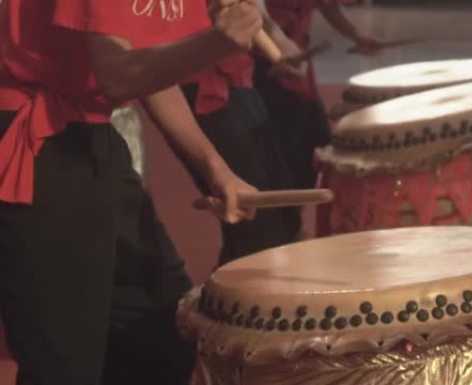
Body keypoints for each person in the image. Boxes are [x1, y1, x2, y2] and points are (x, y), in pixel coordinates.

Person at [0, 0, 264, 384]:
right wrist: (217, 43)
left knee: (158, 333)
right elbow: (119, 75)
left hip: (87, 135)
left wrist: (215, 170)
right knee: (63, 365)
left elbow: (145, 63)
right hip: (34, 144)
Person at [181, 1, 310, 265]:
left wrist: (279, 42)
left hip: (240, 79)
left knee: (286, 218)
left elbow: (250, 7)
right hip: (200, 88)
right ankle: (232, 301)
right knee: (255, 229)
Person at [253, 0, 383, 238]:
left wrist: (356, 34)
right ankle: (279, 231)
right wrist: (277, 40)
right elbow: (251, 8)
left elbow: (326, 3)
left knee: (314, 144)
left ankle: (288, 226)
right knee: (279, 156)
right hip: (261, 58)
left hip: (294, 55)